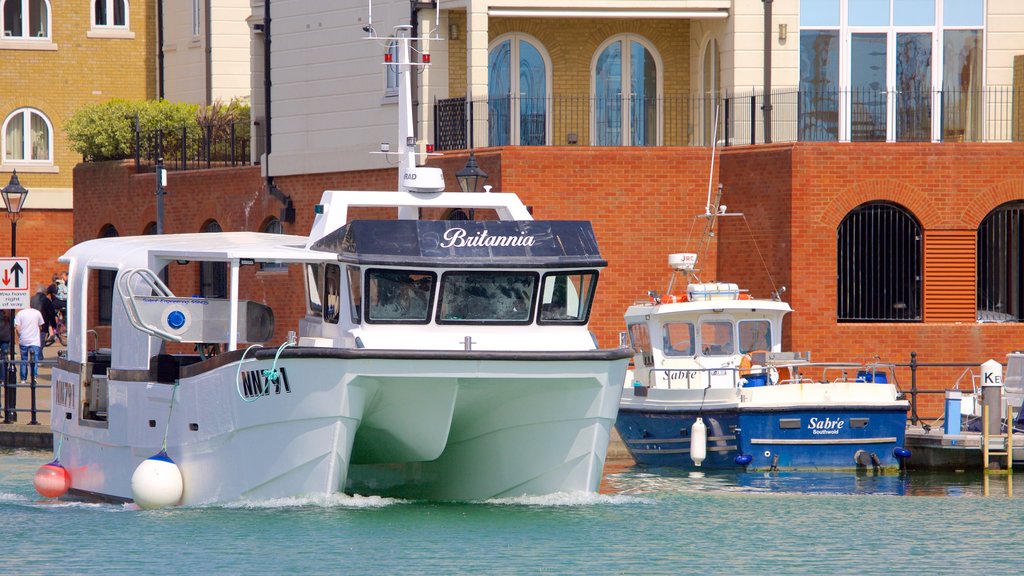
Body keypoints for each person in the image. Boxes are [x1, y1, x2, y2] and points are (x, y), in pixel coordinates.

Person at [14, 305, 45, 383]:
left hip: (24, 339)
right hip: (34, 340)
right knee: (34, 360)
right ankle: (34, 377)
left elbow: (17, 327)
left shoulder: (20, 313)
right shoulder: (37, 313)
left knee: (24, 359)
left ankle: (23, 379)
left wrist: (20, 336)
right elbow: (40, 326)